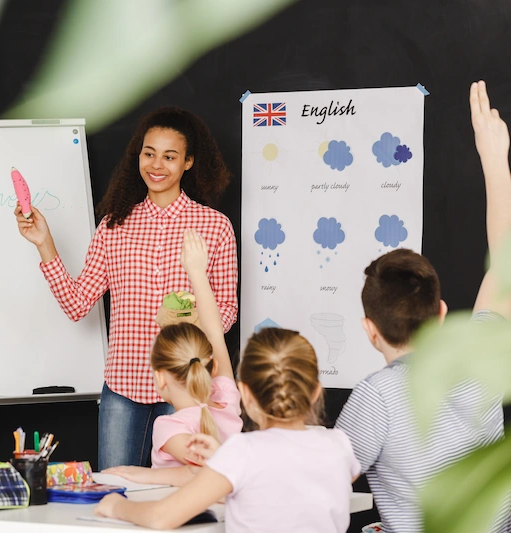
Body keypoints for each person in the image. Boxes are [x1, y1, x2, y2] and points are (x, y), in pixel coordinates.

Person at [15, 108, 238, 469]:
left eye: (170, 156)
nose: (157, 164)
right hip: (123, 384)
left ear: (189, 162)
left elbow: (227, 310)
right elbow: (76, 304)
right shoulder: (114, 226)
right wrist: (44, 243)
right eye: (149, 153)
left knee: (186, 490)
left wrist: (193, 318)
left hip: (187, 385)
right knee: (115, 488)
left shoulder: (215, 227)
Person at [334, 80, 510, 533]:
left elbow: (321, 482)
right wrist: (495, 161)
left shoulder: (373, 398)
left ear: (369, 330)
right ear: (443, 313)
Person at [95, 327, 360, 532]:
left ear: (245, 394)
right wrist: (221, 459)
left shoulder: (241, 454)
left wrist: (116, 505)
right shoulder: (339, 445)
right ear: (316, 392)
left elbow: (160, 517)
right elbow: (291, 487)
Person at [103, 230, 241, 486]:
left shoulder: (169, 427)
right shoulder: (226, 400)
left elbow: (209, 472)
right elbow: (215, 332)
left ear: (159, 376)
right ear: (214, 367)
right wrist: (197, 273)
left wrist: (146, 474)